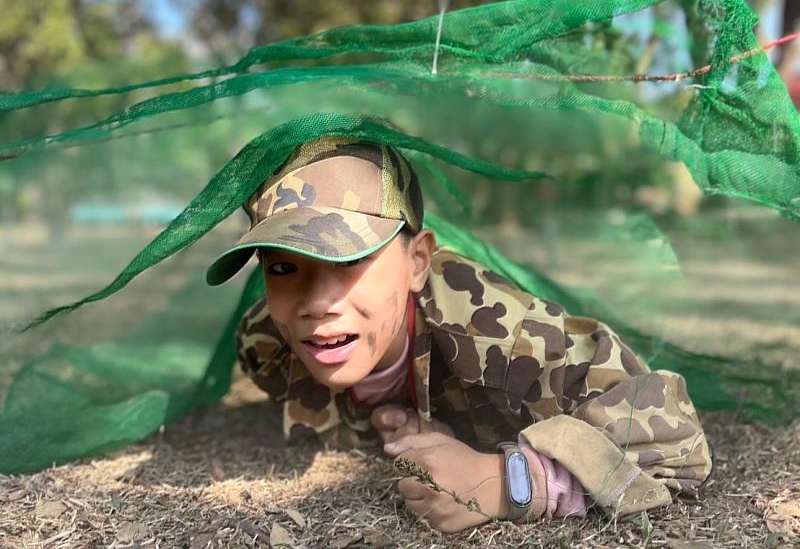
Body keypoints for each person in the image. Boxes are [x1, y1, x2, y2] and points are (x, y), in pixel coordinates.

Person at [205, 136, 712, 533]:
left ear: (417, 262)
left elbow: (675, 438)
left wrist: (508, 483)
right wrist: (400, 420)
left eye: (349, 258)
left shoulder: (500, 334)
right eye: (285, 268)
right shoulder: (265, 347)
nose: (315, 303)